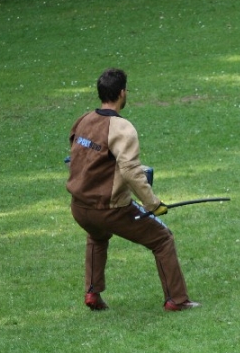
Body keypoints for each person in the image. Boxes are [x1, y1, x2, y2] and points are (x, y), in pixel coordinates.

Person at [66, 68, 200, 312]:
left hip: (79, 207)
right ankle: (176, 300)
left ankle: (92, 294)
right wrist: (153, 204)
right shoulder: (121, 127)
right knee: (162, 239)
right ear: (122, 93)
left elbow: (77, 154)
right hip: (109, 208)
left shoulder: (83, 120)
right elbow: (131, 171)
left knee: (97, 237)